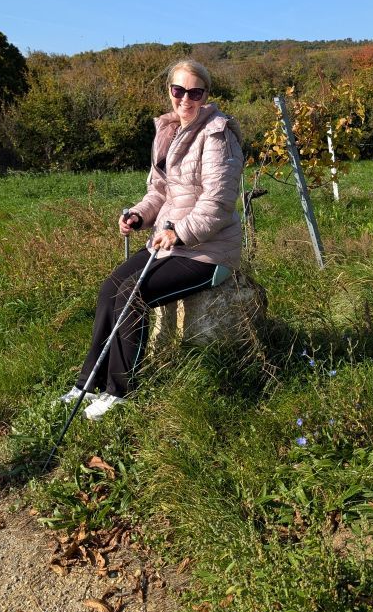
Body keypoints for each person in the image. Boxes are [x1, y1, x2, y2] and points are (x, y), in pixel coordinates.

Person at [59, 59, 244, 419]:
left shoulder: (217, 134)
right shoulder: (168, 131)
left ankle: (118, 391)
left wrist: (178, 232)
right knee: (111, 286)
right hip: (169, 243)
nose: (185, 99)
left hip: (209, 251)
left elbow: (218, 204)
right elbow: (159, 191)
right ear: (169, 92)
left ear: (206, 94)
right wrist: (139, 215)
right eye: (178, 90)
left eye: (195, 92)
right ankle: (87, 384)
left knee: (133, 293)